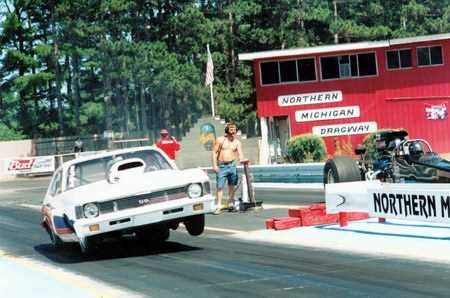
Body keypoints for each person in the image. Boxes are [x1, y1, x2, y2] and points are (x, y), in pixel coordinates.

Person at [212, 123, 244, 214]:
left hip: (232, 165)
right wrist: (215, 165)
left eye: (234, 130)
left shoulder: (237, 142)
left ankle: (231, 203)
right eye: (231, 130)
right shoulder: (220, 140)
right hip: (222, 166)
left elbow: (240, 153)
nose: (233, 132)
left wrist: (242, 159)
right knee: (220, 186)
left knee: (232, 185)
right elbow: (214, 152)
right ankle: (218, 205)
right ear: (227, 130)